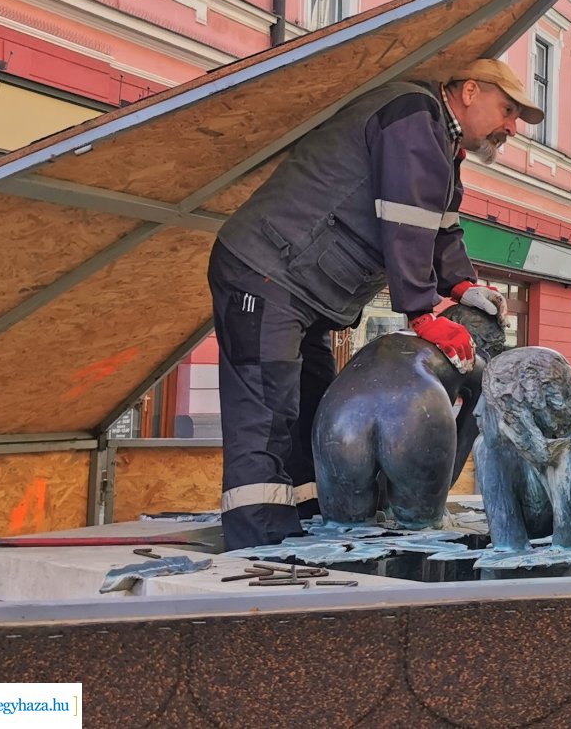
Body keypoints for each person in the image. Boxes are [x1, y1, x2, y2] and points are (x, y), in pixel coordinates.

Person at [208, 58, 540, 549]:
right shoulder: (413, 115)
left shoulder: (442, 144)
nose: (512, 127)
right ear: (469, 91)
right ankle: (259, 541)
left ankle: (312, 521)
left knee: (313, 412)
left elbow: (440, 229)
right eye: (508, 109)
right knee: (267, 412)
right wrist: (422, 312)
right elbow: (404, 219)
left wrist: (464, 286)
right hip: (269, 271)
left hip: (301, 286)